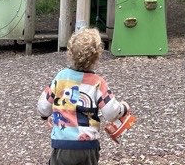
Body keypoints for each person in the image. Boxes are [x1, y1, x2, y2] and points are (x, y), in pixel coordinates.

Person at [37, 27, 130, 164]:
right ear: (97, 57)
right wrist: (123, 108)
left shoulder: (61, 78)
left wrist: (45, 115)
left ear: (70, 51)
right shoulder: (98, 83)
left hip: (63, 145)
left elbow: (43, 107)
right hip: (88, 146)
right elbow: (111, 112)